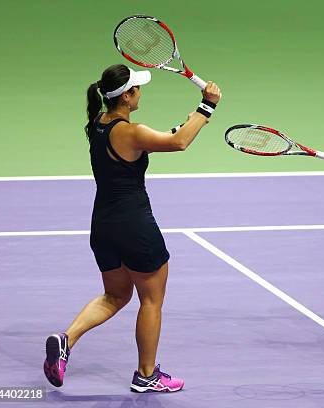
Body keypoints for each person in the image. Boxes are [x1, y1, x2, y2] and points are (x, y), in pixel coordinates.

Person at [43, 64, 221, 392]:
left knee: (116, 294)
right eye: (138, 88)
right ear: (127, 96)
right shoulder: (132, 131)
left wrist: (173, 131)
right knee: (151, 300)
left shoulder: (98, 123)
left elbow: (157, 141)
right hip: (135, 226)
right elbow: (179, 143)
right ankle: (146, 374)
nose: (141, 91)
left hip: (103, 227)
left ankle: (66, 340)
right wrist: (207, 104)